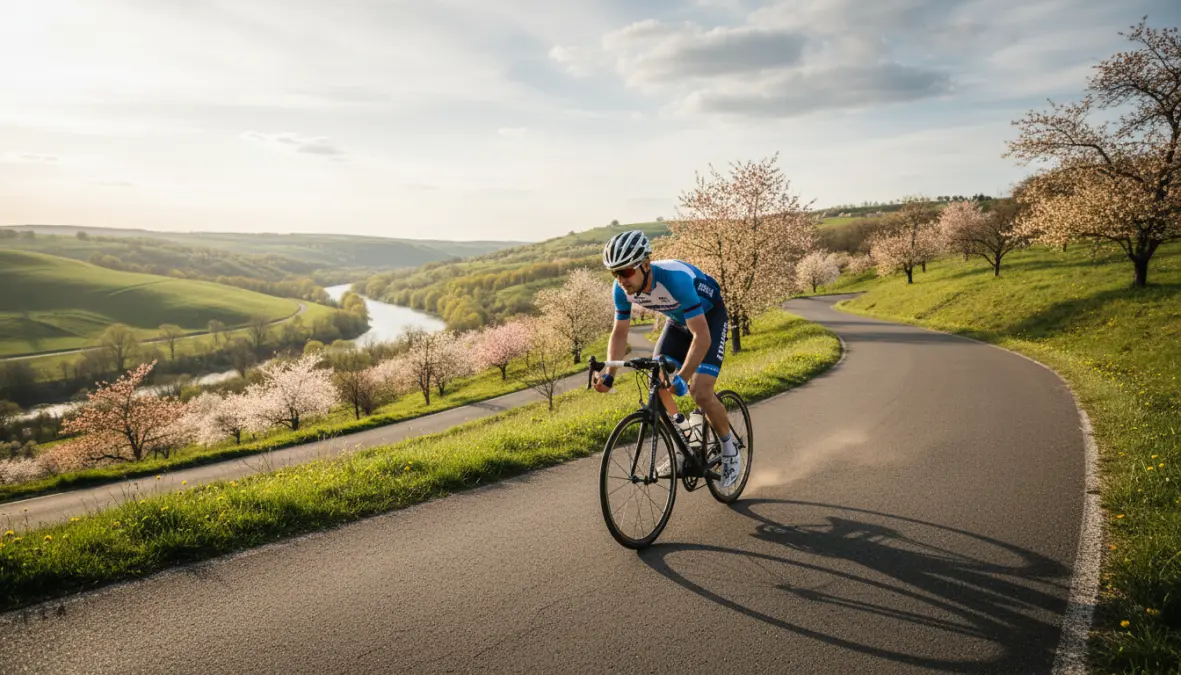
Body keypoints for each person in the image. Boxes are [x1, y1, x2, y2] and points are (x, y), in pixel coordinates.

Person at [590, 230, 739, 487]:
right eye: (615, 273)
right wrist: (609, 375)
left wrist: (682, 377)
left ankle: (730, 448)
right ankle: (687, 438)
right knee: (656, 380)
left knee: (699, 391)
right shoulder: (621, 289)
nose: (621, 279)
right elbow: (620, 333)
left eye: (625, 271)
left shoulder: (675, 280)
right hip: (678, 322)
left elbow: (701, 337)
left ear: (645, 264)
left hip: (709, 320)